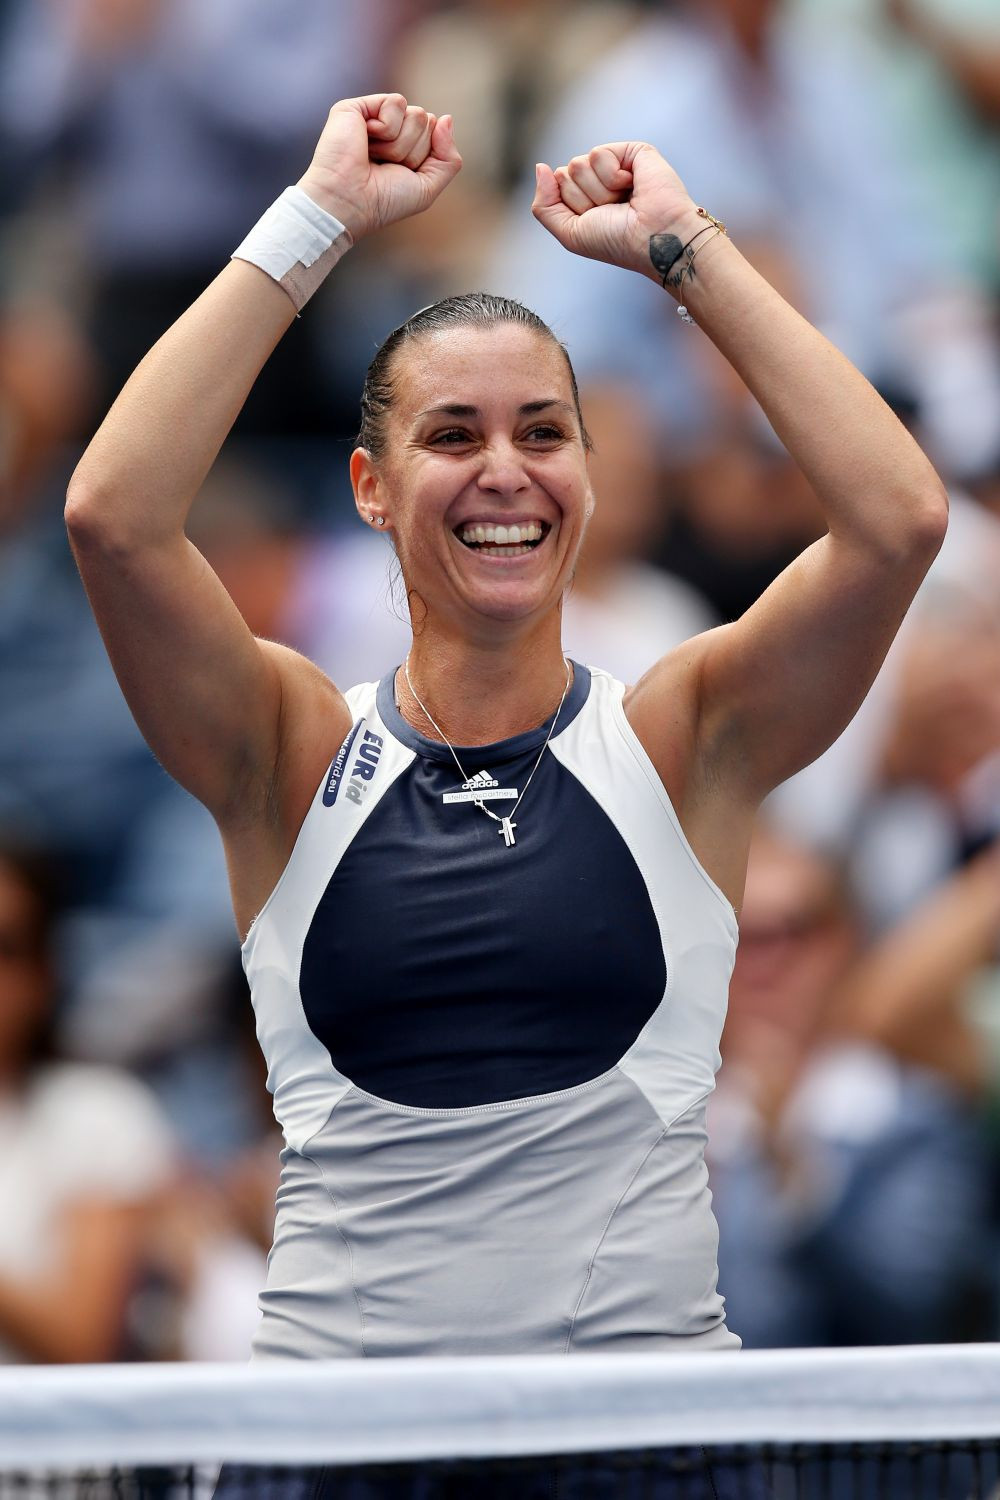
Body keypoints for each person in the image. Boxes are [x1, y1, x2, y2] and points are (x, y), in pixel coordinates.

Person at [65, 93, 947, 1497]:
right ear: (367, 483)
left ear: (590, 477)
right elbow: (113, 515)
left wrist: (681, 244)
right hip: (343, 1455)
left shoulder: (686, 736)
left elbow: (898, 516)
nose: (503, 472)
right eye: (452, 434)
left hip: (638, 1451)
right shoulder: (280, 745)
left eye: (545, 431)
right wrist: (322, 220)